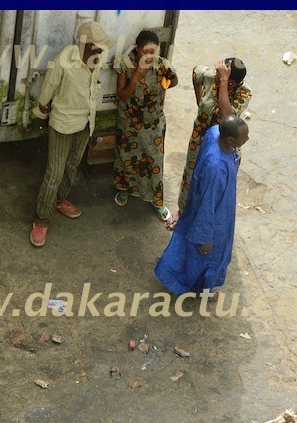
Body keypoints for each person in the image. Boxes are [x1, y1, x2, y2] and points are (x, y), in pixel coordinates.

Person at [30, 22, 116, 247]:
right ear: (84, 43)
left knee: (72, 167)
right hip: (62, 123)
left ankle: (59, 200)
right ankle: (41, 219)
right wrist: (40, 111)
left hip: (85, 123)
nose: (100, 51)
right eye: (96, 46)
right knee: (54, 173)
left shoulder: (96, 60)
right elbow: (48, 88)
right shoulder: (64, 60)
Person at [154, 115, 249, 297]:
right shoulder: (216, 168)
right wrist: (206, 237)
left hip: (197, 204)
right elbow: (208, 205)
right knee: (207, 257)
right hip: (214, 216)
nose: (247, 140)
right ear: (230, 140)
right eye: (243, 138)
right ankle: (202, 290)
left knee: (184, 244)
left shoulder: (214, 133)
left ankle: (170, 272)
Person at [172, 58, 251, 228]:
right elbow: (196, 71)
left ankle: (204, 222)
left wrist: (223, 84)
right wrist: (199, 99)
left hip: (222, 147)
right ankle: (183, 212)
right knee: (191, 175)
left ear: (232, 82)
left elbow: (227, 116)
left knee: (212, 185)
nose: (217, 75)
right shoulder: (210, 77)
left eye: (222, 75)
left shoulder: (243, 93)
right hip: (199, 139)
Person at [112, 30, 178, 228]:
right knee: (127, 158)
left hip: (153, 124)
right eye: (145, 52)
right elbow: (122, 95)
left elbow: (174, 81)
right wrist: (136, 77)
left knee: (154, 162)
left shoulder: (161, 65)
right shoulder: (126, 64)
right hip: (129, 124)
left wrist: (167, 81)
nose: (149, 56)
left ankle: (157, 202)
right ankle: (126, 190)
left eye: (153, 52)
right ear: (137, 49)